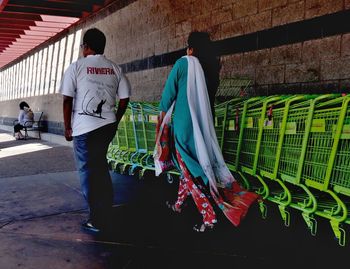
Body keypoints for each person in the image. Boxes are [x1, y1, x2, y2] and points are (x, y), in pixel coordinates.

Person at [158, 31, 259, 232]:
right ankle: (178, 205)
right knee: (190, 167)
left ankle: (209, 217)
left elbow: (167, 96)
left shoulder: (183, 63)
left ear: (191, 48)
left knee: (190, 170)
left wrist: (161, 126)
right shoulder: (211, 68)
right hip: (205, 125)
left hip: (186, 125)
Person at [59, 28, 131, 233]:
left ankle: (97, 219)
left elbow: (67, 99)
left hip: (84, 130)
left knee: (87, 172)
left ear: (86, 46)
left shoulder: (76, 67)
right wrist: (116, 118)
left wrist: (67, 127)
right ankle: (106, 210)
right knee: (100, 167)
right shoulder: (114, 68)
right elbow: (125, 97)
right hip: (107, 126)